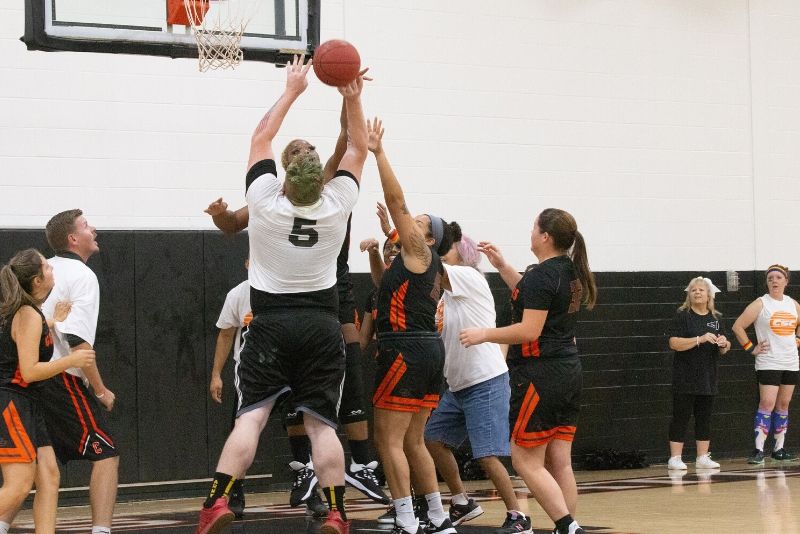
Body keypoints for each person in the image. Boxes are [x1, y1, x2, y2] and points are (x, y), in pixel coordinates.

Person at [195, 55, 368, 534]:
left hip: (269, 324)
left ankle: (218, 502)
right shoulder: (338, 205)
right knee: (321, 426)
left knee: (250, 416)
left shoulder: (264, 200)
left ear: (286, 178)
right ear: (322, 182)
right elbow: (357, 147)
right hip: (320, 325)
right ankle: (335, 510)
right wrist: (352, 96)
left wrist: (293, 89)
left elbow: (261, 136)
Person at [460, 208, 597, 534]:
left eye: (534, 227)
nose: (531, 231)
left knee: (525, 461)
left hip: (540, 375)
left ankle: (568, 527)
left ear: (545, 236)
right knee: (559, 461)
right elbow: (537, 298)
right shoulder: (570, 272)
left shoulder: (542, 276)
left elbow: (529, 330)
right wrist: (504, 267)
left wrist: (485, 334)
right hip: (568, 372)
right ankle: (568, 526)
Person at [367, 117, 458, 534]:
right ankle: (438, 516)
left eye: (419, 223)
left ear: (430, 238)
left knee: (388, 439)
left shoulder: (419, 251)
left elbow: (397, 200)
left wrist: (378, 152)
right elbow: (384, 289)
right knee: (413, 441)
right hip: (425, 351)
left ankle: (406, 517)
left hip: (404, 350)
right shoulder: (421, 266)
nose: (411, 223)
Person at [424, 231, 532, 533]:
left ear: (464, 255)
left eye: (450, 248)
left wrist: (409, 235)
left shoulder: (468, 277)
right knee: (432, 438)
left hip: (485, 380)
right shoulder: (445, 291)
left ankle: (517, 516)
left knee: (486, 454)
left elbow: (427, 263)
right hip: (459, 385)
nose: (445, 251)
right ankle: (461, 502)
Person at [0, 249, 95, 534]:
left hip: (29, 403)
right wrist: (72, 360)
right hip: (13, 402)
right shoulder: (27, 314)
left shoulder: (28, 313)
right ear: (37, 280)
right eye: (46, 266)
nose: (52, 268)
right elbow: (29, 371)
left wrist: (51, 321)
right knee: (17, 486)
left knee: (49, 476)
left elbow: (28, 337)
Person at [38, 210, 119, 534]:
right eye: (87, 226)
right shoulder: (81, 276)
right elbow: (78, 345)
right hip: (58, 377)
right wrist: (101, 392)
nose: (94, 229)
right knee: (106, 455)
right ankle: (101, 530)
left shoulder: (41, 269)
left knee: (36, 469)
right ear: (73, 238)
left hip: (22, 378)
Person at [732, 264, 800, 464]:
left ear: (786, 281)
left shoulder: (793, 304)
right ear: (767, 282)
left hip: (790, 361)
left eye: (778, 277)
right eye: (770, 278)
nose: (774, 281)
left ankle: (779, 449)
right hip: (769, 361)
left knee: (784, 404)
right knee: (767, 403)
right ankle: (758, 449)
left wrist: (797, 340)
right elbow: (738, 326)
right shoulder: (761, 303)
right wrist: (750, 348)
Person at [665, 276, 731, 470]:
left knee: (704, 418)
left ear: (709, 294)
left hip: (708, 377)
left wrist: (724, 344)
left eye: (701, 290)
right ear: (689, 295)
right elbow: (674, 343)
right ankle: (675, 458)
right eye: (693, 290)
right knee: (681, 417)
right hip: (685, 377)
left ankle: (702, 457)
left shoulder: (716, 318)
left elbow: (725, 346)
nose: (697, 292)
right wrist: (699, 339)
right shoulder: (682, 315)